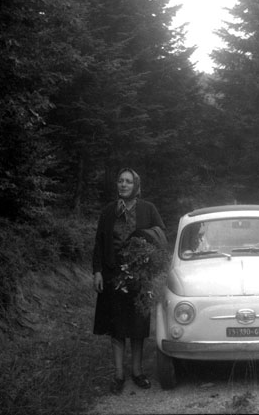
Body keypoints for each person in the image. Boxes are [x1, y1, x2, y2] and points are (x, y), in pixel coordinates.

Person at [92, 167, 166, 394]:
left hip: (139, 277)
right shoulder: (108, 211)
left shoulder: (148, 209)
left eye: (128, 181)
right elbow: (99, 242)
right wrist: (97, 271)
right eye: (120, 181)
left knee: (137, 327)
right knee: (116, 327)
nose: (123, 184)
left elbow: (160, 235)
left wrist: (147, 253)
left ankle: (137, 372)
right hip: (113, 275)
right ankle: (118, 375)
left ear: (136, 186)